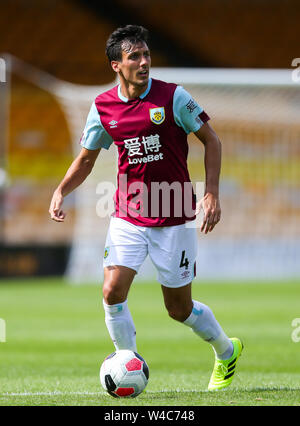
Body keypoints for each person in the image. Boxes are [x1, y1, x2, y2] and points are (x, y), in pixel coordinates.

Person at [49, 25, 243, 391]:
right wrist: (61, 190)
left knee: (178, 310)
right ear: (115, 66)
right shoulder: (103, 107)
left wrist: (212, 193)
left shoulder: (173, 97)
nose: (143, 62)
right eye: (134, 57)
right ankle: (128, 362)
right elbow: (87, 159)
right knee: (112, 291)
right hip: (127, 214)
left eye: (146, 55)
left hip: (174, 214)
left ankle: (226, 349)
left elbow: (211, 140)